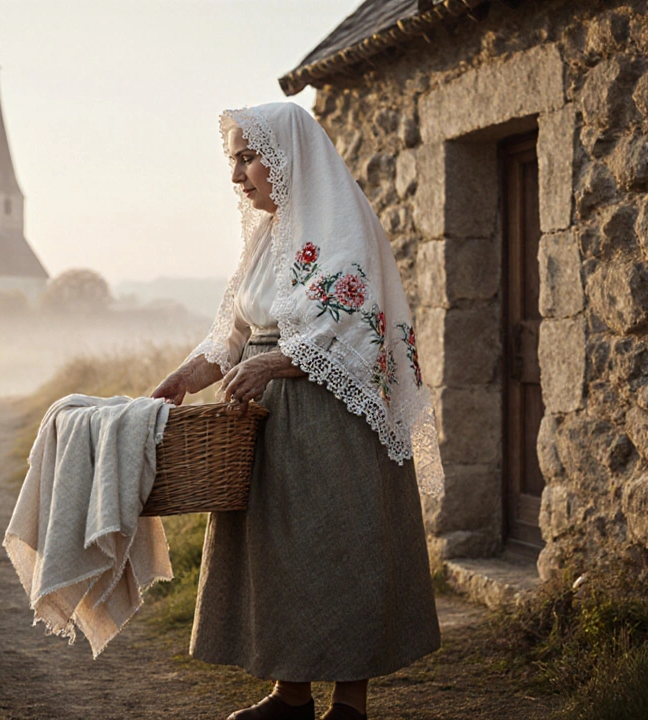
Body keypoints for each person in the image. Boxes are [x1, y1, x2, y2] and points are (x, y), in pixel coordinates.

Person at [151, 102, 444, 720]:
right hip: (269, 421)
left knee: (343, 547)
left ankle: (350, 705)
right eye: (233, 160)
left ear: (286, 157)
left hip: (334, 421)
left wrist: (273, 364)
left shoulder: (342, 230)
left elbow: (356, 329)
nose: (237, 176)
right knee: (281, 553)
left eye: (247, 158)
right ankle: (290, 696)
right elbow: (230, 334)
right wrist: (187, 375)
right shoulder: (263, 243)